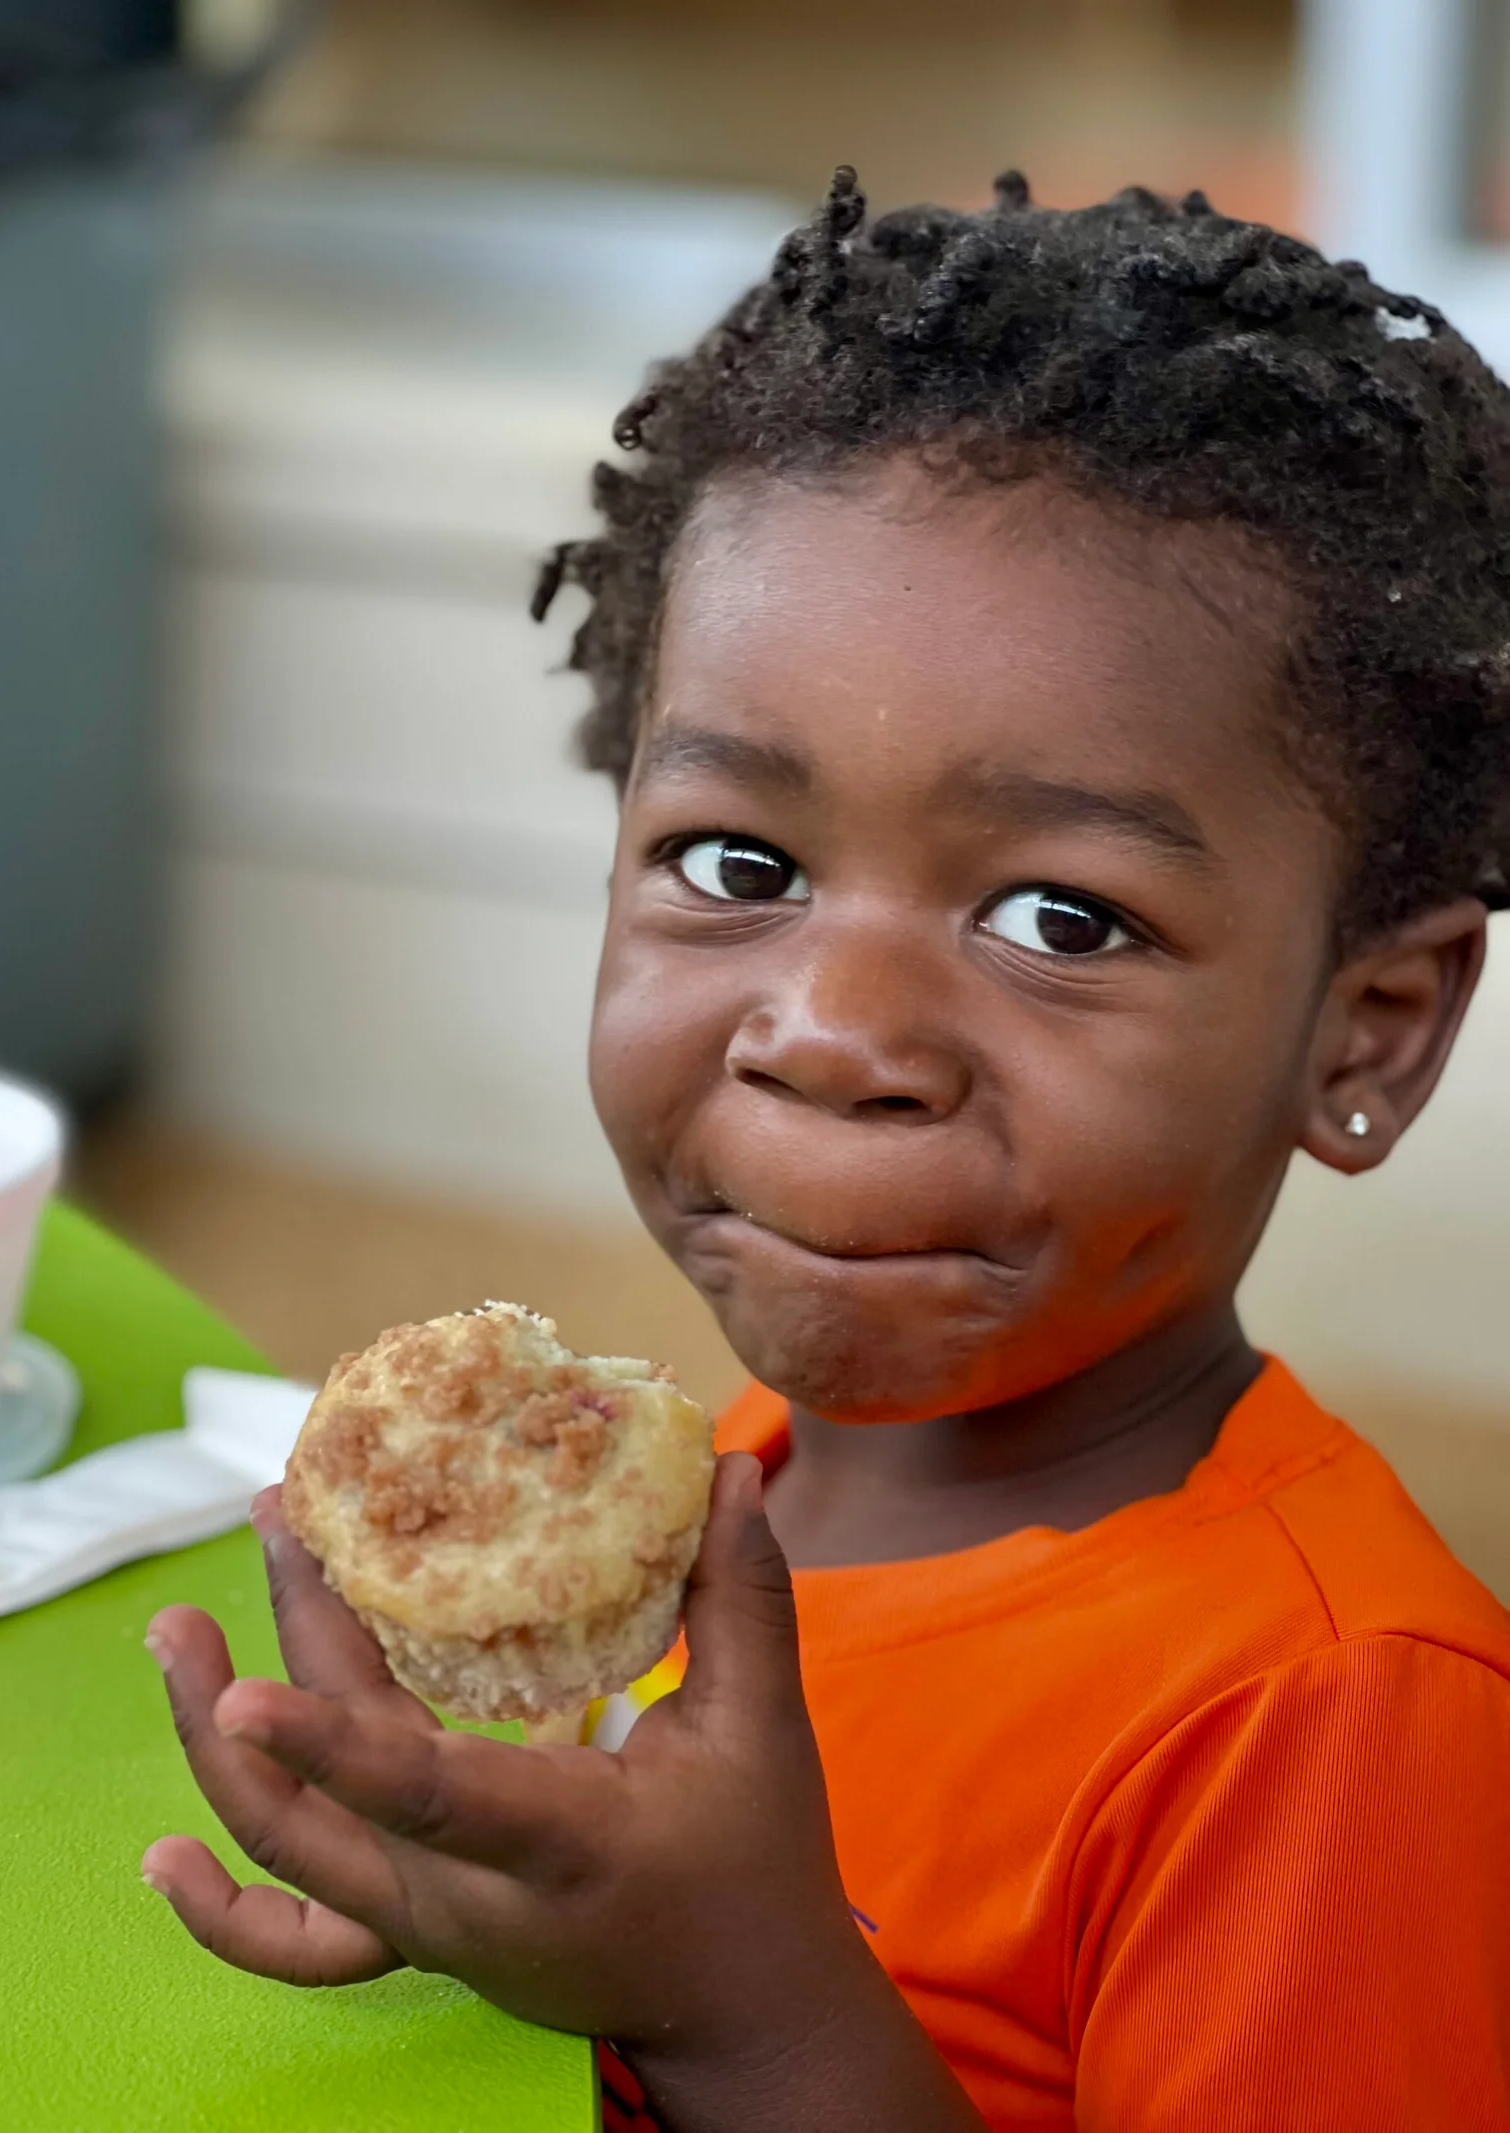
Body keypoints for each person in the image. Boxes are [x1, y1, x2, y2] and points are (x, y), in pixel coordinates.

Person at [139, 172, 1510, 2132]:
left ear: (1360, 1030)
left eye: (1059, 917)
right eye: (737, 865)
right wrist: (512, 1918)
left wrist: (736, 2003)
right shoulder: (728, 1504)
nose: (835, 1033)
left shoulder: (1335, 1727)